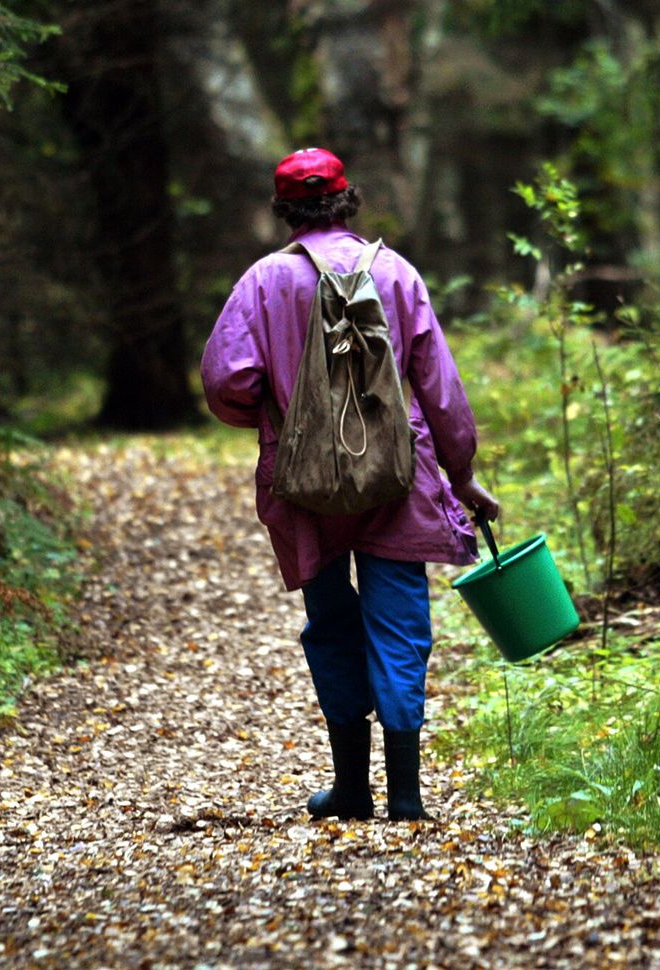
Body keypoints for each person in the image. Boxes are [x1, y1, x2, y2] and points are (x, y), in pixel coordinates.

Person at [201, 148, 500, 822]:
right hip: (398, 471)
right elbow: (441, 391)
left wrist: (280, 415)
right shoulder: (395, 273)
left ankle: (351, 789)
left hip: (304, 479)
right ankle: (406, 794)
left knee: (331, 622)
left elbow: (225, 381)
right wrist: (463, 475)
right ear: (347, 200)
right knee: (400, 625)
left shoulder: (265, 280)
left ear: (284, 210)